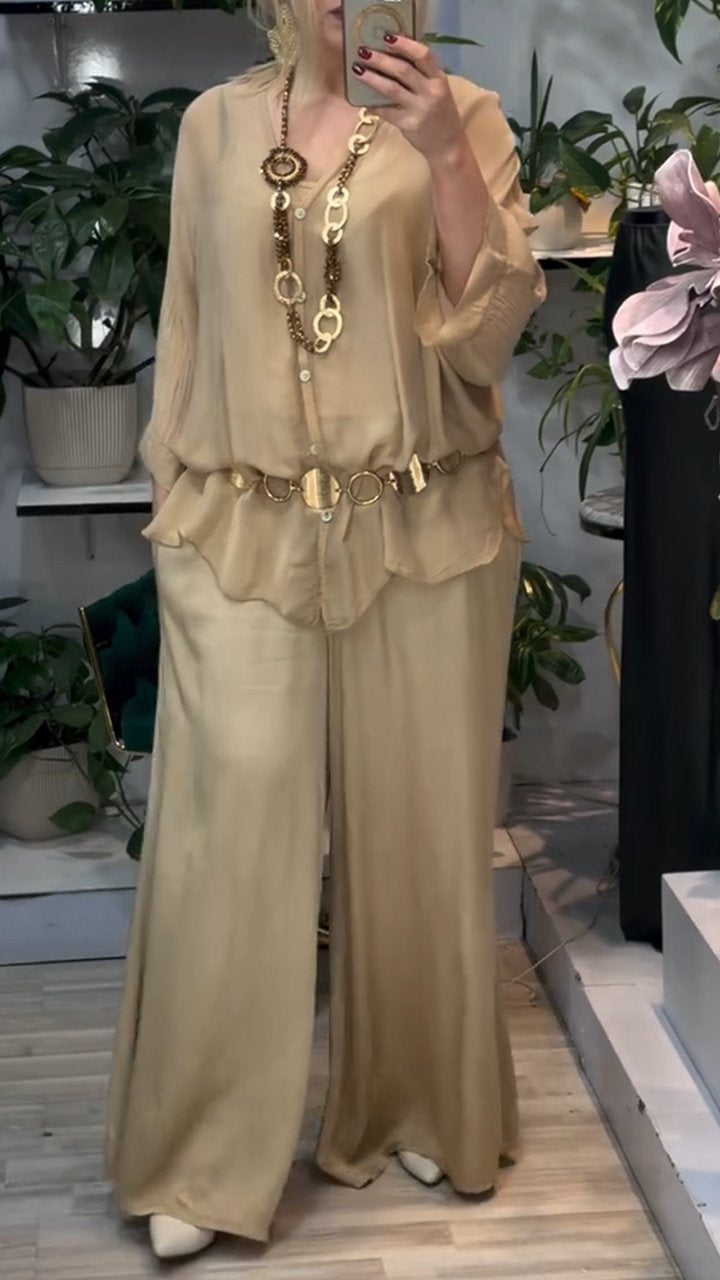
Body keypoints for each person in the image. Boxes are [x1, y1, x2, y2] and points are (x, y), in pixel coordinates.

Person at [105, 0, 546, 1260]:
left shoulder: (466, 119)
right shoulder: (212, 126)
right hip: (239, 526)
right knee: (225, 833)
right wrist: (168, 500)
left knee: (420, 825)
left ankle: (416, 1097)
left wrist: (444, 153)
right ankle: (200, 1148)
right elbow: (186, 328)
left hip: (428, 523)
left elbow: (489, 337)